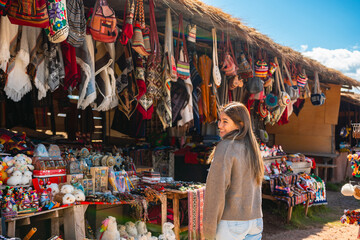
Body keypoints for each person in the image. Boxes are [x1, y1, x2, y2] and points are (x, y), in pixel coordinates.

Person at [203, 102, 264, 240]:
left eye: (225, 121)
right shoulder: (253, 149)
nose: (219, 125)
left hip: (232, 224)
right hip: (255, 221)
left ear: (240, 124)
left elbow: (215, 190)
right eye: (220, 120)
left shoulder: (226, 147)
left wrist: (208, 230)